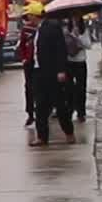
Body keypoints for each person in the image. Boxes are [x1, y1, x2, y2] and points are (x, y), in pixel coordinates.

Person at [32, 11, 77, 146]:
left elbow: (60, 49)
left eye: (29, 15)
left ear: (34, 15)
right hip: (40, 73)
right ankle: (41, 137)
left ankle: (69, 133)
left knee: (60, 105)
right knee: (40, 106)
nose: (28, 19)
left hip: (53, 73)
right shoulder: (37, 30)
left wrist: (61, 70)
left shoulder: (51, 27)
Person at [18, 1, 42, 125]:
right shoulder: (26, 29)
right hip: (29, 63)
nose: (28, 18)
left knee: (40, 88)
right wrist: (24, 58)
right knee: (29, 88)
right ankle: (30, 113)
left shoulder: (42, 28)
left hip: (40, 63)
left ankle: (41, 112)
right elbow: (22, 45)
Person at [66, 18, 90, 122]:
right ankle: (70, 110)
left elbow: (88, 45)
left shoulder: (84, 31)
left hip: (80, 62)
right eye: (73, 21)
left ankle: (81, 112)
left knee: (81, 88)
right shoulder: (66, 31)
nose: (75, 23)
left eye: (77, 21)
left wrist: (78, 37)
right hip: (69, 62)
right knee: (69, 89)